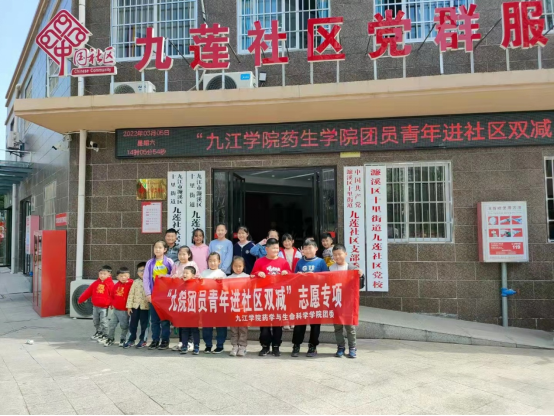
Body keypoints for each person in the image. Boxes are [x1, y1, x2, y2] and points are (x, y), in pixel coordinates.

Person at [251, 238, 291, 357]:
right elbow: (252, 275)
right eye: (273, 248)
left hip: (278, 297)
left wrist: (286, 273)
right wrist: (258, 273)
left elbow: (291, 276)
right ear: (266, 249)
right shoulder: (260, 262)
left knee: (278, 324)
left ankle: (276, 346)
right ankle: (265, 346)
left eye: (277, 248)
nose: (275, 250)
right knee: (264, 324)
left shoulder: (283, 262)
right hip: (264, 297)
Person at [292, 239, 329, 358]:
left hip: (316, 297)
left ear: (316, 249)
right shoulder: (299, 262)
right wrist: (297, 276)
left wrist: (316, 277)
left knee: (315, 323)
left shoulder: (321, 262)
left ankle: (313, 346)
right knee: (299, 323)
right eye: (305, 248)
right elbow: (293, 279)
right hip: (302, 296)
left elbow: (327, 278)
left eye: (310, 248)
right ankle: (296, 345)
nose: (307, 250)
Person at [331, 244, 362, 359]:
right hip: (336, 301)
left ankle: (352, 348)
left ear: (345, 254)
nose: (337, 257)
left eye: (339, 254)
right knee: (337, 327)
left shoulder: (352, 268)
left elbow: (360, 285)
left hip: (348, 303)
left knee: (350, 327)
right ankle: (340, 347)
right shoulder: (330, 268)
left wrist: (361, 275)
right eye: (335, 255)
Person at [143, 240, 174, 351]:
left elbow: (174, 276)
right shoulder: (150, 263)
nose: (157, 249)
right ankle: (155, 340)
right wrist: (148, 294)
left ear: (165, 250)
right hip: (154, 295)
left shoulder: (169, 261)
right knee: (154, 320)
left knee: (164, 320)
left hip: (166, 295)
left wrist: (165, 276)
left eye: (160, 247)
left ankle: (165, 341)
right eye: (156, 247)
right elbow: (146, 279)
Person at [170, 246, 199, 352]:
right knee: (181, 321)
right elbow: (171, 277)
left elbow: (197, 277)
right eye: (180, 254)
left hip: (190, 298)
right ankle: (182, 342)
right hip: (179, 297)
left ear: (189, 255)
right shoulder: (176, 264)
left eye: (184, 254)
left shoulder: (192, 264)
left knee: (190, 322)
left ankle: (190, 342)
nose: (182, 256)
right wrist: (173, 277)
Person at [78, 265, 114, 343]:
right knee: (96, 320)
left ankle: (106, 334)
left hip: (104, 307)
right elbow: (88, 291)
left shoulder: (110, 284)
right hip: (95, 306)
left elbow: (113, 295)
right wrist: (81, 299)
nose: (102, 275)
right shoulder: (95, 283)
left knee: (103, 321)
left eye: (104, 274)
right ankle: (99, 332)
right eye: (100, 273)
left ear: (109, 275)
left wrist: (112, 304)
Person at [201, 253, 228, 354]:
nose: (212, 263)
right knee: (207, 326)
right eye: (210, 261)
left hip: (219, 304)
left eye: (214, 261)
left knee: (220, 326)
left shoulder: (222, 274)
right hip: (207, 304)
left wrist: (220, 283)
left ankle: (220, 345)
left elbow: (227, 289)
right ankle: (208, 345)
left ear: (219, 262)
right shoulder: (204, 273)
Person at [104, 267, 133, 347]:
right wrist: (111, 303)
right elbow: (112, 296)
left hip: (124, 310)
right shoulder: (116, 285)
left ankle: (123, 339)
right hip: (116, 310)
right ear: (117, 277)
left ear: (128, 276)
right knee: (111, 325)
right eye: (121, 276)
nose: (123, 278)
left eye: (125, 276)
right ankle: (110, 338)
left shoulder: (131, 284)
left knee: (124, 326)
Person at [228, 257, 250, 357]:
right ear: (232, 266)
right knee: (233, 328)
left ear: (243, 266)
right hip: (233, 307)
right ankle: (234, 346)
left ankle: (242, 346)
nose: (237, 268)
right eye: (235, 266)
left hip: (243, 307)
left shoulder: (247, 277)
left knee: (243, 328)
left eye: (240, 266)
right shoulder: (228, 278)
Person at [279, 234, 302, 331]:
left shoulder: (298, 253)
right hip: (283, 280)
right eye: (285, 241)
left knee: (294, 301)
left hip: (295, 280)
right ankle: (285, 321)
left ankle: (292, 320)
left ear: (292, 241)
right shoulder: (280, 253)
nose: (287, 243)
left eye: (289, 240)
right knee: (284, 301)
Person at [124, 262, 149, 349]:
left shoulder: (150, 281)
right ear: (137, 272)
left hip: (145, 307)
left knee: (144, 324)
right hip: (135, 307)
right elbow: (131, 294)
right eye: (140, 270)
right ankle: (131, 339)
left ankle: (143, 340)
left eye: (144, 270)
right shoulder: (135, 282)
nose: (142, 272)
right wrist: (129, 306)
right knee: (133, 324)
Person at [179, 266, 201, 356]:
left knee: (194, 330)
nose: (184, 274)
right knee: (184, 329)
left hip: (194, 312)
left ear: (193, 275)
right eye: (183, 273)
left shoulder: (197, 284)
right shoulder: (181, 285)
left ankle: (196, 347)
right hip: (184, 312)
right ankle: (184, 345)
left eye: (187, 273)